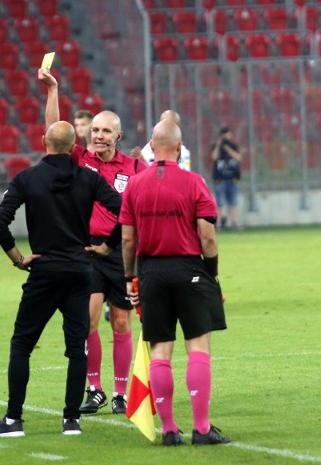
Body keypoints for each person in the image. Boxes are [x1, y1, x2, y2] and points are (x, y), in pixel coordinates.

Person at [0, 121, 123, 437]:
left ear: (44, 140)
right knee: (77, 346)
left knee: (22, 343)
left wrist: (18, 259)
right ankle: (71, 419)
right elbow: (125, 210)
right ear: (75, 143)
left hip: (44, 271)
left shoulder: (27, 179)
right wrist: (106, 247)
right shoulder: (90, 178)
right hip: (79, 271)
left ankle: (13, 419)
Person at [38, 68, 148, 416]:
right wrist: (52, 91)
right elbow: (53, 132)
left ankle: (119, 392)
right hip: (87, 252)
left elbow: (147, 206)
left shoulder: (133, 167)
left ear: (119, 135)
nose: (98, 135)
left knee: (120, 322)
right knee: (85, 322)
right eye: (95, 129)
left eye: (105, 131)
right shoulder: (78, 160)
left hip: (122, 252)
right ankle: (95, 388)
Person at [119, 119, 231, 446]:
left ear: (152, 147)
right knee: (197, 346)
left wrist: (130, 278)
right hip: (189, 269)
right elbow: (207, 236)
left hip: (151, 272)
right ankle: (201, 428)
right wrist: (211, 273)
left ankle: (168, 430)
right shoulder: (194, 182)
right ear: (180, 148)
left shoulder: (135, 185)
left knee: (160, 351)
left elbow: (128, 240)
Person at [210, 126, 242, 229]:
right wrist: (219, 145)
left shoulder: (234, 146)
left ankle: (234, 222)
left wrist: (228, 149)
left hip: (233, 178)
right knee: (219, 203)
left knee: (233, 202)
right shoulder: (216, 146)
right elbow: (213, 157)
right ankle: (218, 223)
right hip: (220, 179)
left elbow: (238, 157)